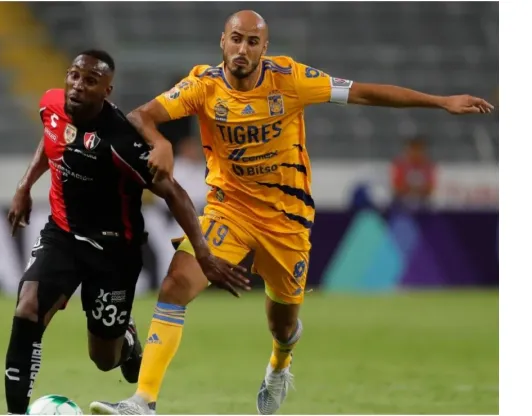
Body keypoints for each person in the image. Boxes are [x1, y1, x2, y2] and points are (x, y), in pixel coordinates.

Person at [90, 10, 494, 416]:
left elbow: (364, 93)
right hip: (230, 210)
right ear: (222, 41)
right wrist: (162, 144)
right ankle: (143, 401)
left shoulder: (292, 79)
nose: (242, 49)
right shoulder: (204, 85)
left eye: (252, 42)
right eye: (236, 39)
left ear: (265, 48)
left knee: (281, 325)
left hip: (287, 220)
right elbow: (142, 116)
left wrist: (441, 102)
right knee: (175, 285)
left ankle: (280, 364)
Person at [2, 50, 248, 415]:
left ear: (107, 91)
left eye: (89, 81)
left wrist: (205, 254)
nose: (76, 86)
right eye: (73, 76)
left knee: (104, 358)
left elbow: (175, 194)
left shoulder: (122, 143)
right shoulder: (51, 104)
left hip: (114, 253)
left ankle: (127, 340)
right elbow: (51, 138)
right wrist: (24, 186)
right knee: (27, 309)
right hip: (63, 235)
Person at [390, 136, 436, 210]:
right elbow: (397, 187)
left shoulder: (428, 166)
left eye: (418, 149)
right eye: (414, 149)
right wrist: (412, 189)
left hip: (423, 203)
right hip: (401, 203)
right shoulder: (400, 165)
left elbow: (430, 188)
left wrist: (415, 190)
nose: (416, 152)